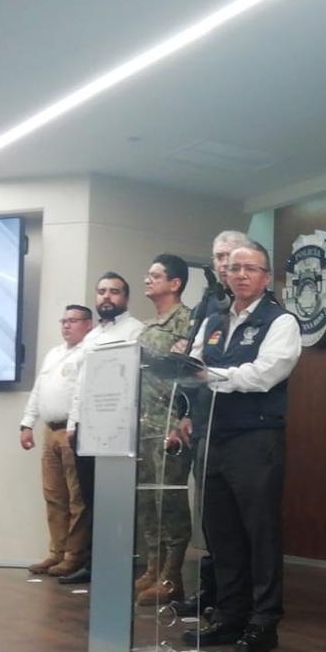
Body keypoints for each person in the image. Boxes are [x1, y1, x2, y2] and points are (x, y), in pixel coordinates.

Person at [180, 242, 301, 652]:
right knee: (222, 533)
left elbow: (266, 373)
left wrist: (214, 375)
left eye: (251, 269)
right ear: (226, 276)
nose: (241, 275)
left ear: (267, 277)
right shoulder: (212, 320)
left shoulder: (280, 320)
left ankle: (264, 621)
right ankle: (229, 615)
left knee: (259, 533)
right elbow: (190, 367)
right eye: (234, 269)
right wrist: (202, 377)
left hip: (255, 438)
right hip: (212, 437)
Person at [172, 230, 251, 619]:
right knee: (210, 516)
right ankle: (212, 588)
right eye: (217, 257)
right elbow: (193, 365)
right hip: (204, 421)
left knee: (235, 520)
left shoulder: (259, 307)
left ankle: (235, 597)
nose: (221, 264)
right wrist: (186, 412)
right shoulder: (208, 303)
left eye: (228, 256)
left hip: (241, 429)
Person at [61, 271, 146, 585]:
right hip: (86, 428)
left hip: (116, 428)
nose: (106, 297)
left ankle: (118, 566)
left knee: (116, 500)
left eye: (114, 291)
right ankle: (95, 564)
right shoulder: (92, 336)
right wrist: (73, 423)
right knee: (92, 499)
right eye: (101, 291)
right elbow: (81, 384)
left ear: (125, 298)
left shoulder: (136, 331)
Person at [133, 254, 194, 606]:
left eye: (155, 275)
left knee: (169, 500)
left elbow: (191, 377)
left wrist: (181, 418)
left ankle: (172, 576)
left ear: (175, 283)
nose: (148, 280)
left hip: (171, 427)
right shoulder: (146, 327)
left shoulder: (186, 322)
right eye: (148, 274)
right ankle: (153, 568)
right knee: (147, 501)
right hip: (144, 427)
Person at [19, 305, 95, 577]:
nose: (66, 325)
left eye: (73, 321)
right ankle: (56, 551)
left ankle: (74, 555)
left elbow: (83, 393)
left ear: (88, 324)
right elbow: (39, 389)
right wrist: (27, 423)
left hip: (72, 431)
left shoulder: (89, 351)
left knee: (77, 498)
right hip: (49, 431)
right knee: (53, 495)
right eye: (64, 320)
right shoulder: (54, 353)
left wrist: (74, 426)